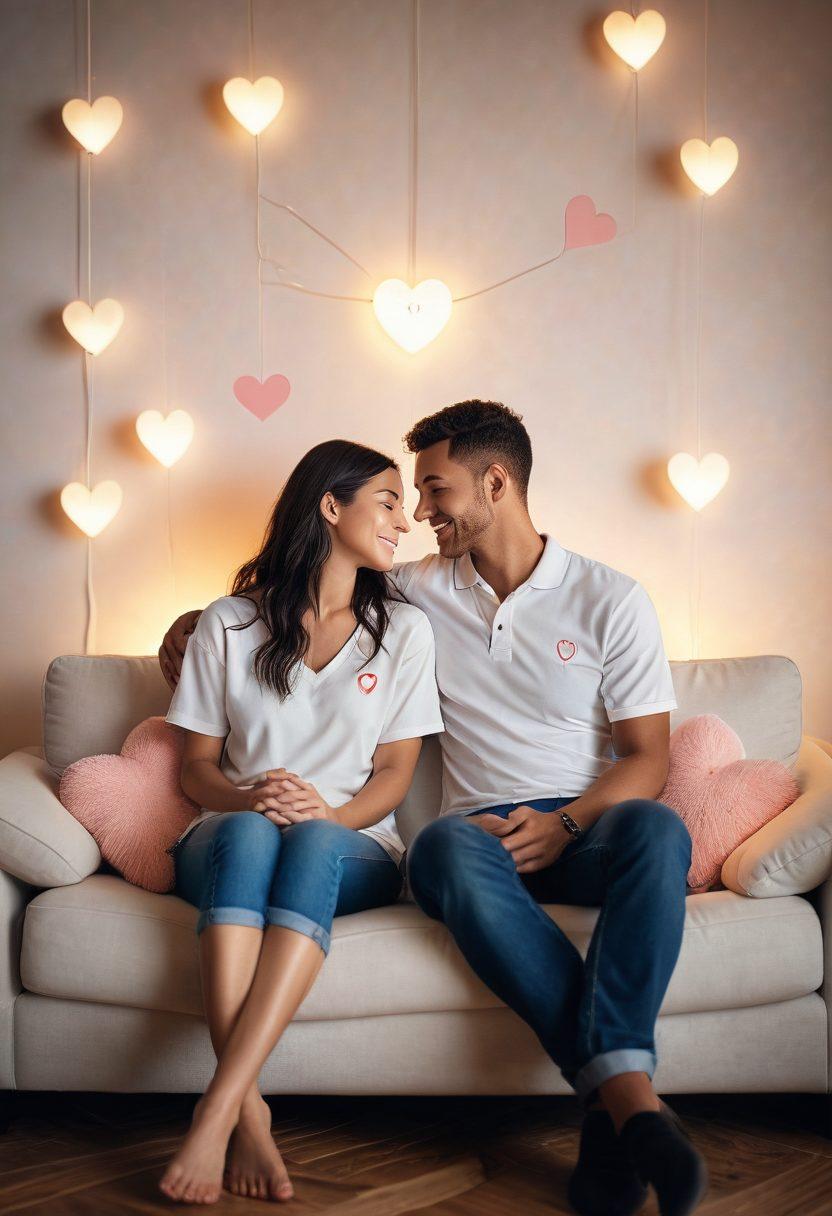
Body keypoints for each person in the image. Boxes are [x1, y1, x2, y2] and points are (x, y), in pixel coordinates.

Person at [161, 401, 708, 1216]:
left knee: (660, 827)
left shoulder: (611, 599)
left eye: (433, 489)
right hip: (476, 832)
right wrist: (189, 626)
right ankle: (630, 1107)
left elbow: (649, 758)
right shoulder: (413, 592)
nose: (418, 514)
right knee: (441, 850)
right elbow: (290, 599)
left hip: (587, 822)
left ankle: (612, 1102)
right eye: (405, 495)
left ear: (496, 482)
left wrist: (567, 823)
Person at [156, 439, 443, 1205]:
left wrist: (331, 812)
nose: (403, 523)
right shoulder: (225, 623)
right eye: (387, 501)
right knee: (254, 833)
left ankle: (219, 1105)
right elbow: (197, 769)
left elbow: (395, 777)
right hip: (230, 833)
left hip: (354, 843)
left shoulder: (405, 633)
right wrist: (247, 799)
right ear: (330, 506)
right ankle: (248, 1115)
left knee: (312, 836)